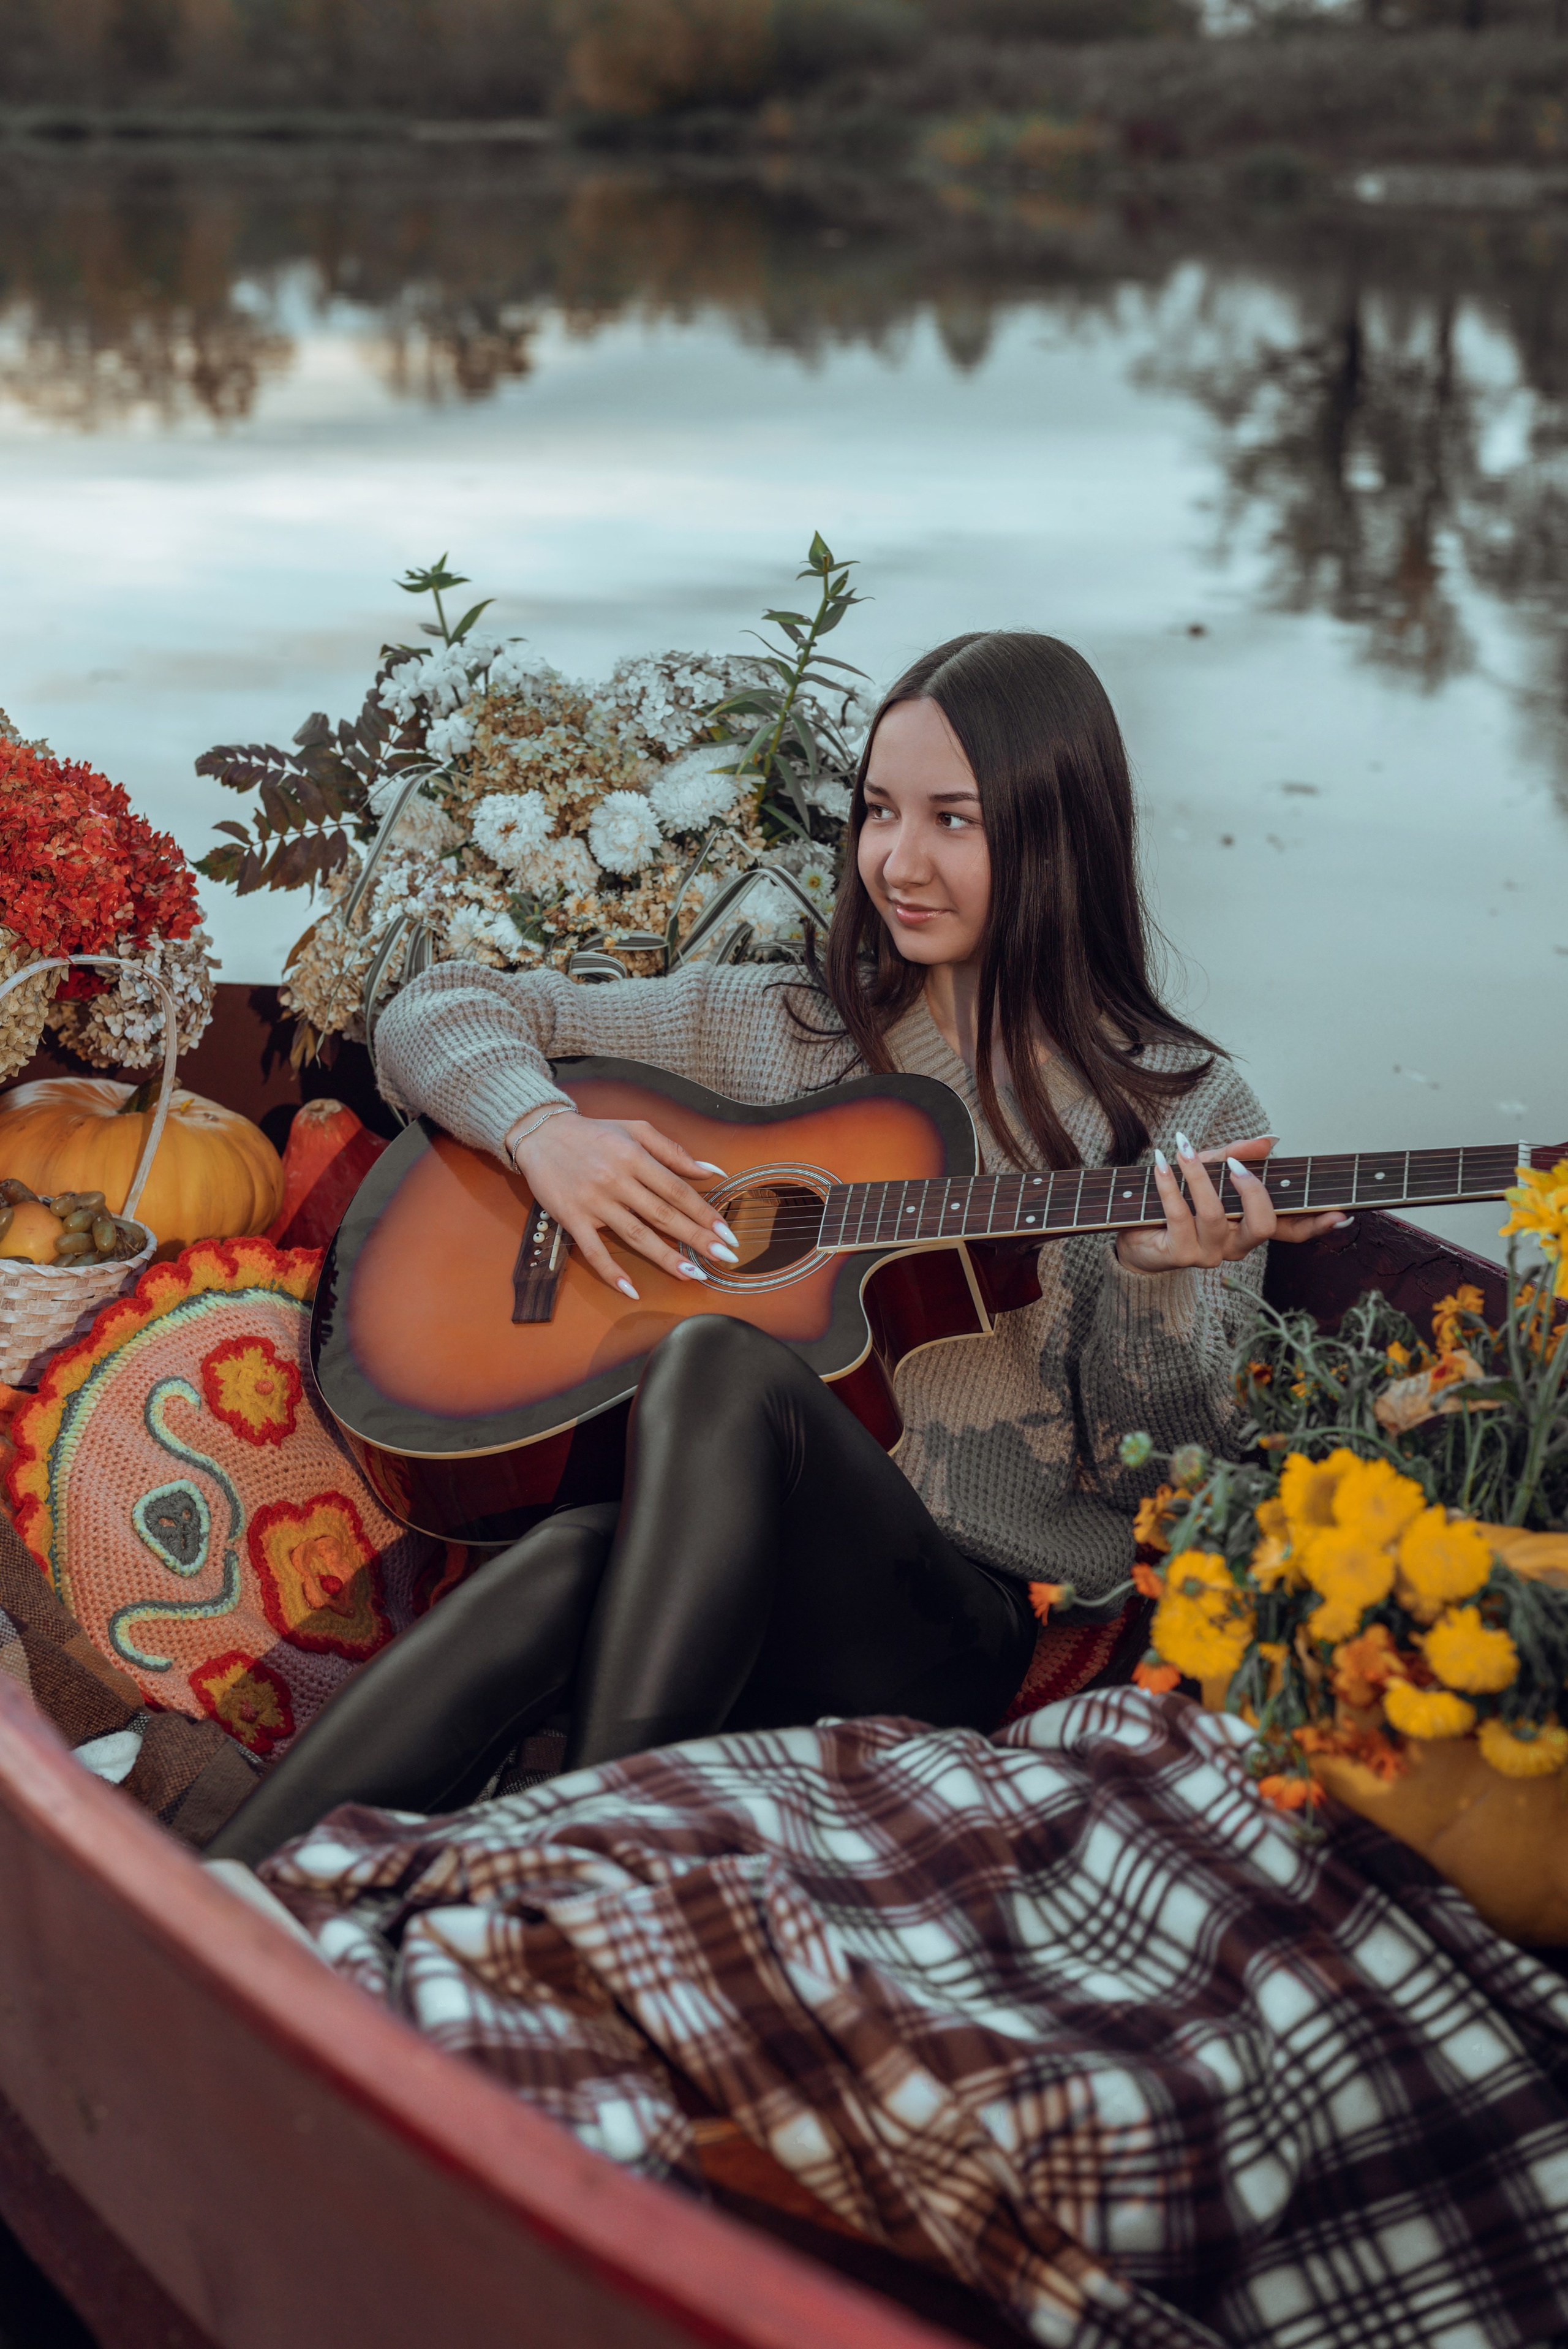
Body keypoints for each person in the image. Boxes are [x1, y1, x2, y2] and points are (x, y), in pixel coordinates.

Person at [206, 630, 1343, 1867]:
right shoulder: (779, 1023)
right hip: (711, 1570)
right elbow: (435, 1007)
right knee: (571, 1554)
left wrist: (1146, 1288)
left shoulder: (1182, 1112)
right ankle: (213, 1899)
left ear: (1053, 831)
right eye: (876, 812)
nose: (896, 862)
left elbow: (1164, 1479)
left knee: (718, 1363)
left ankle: (580, 1865)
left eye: (952, 821)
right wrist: (544, 1136)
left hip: (949, 1616)